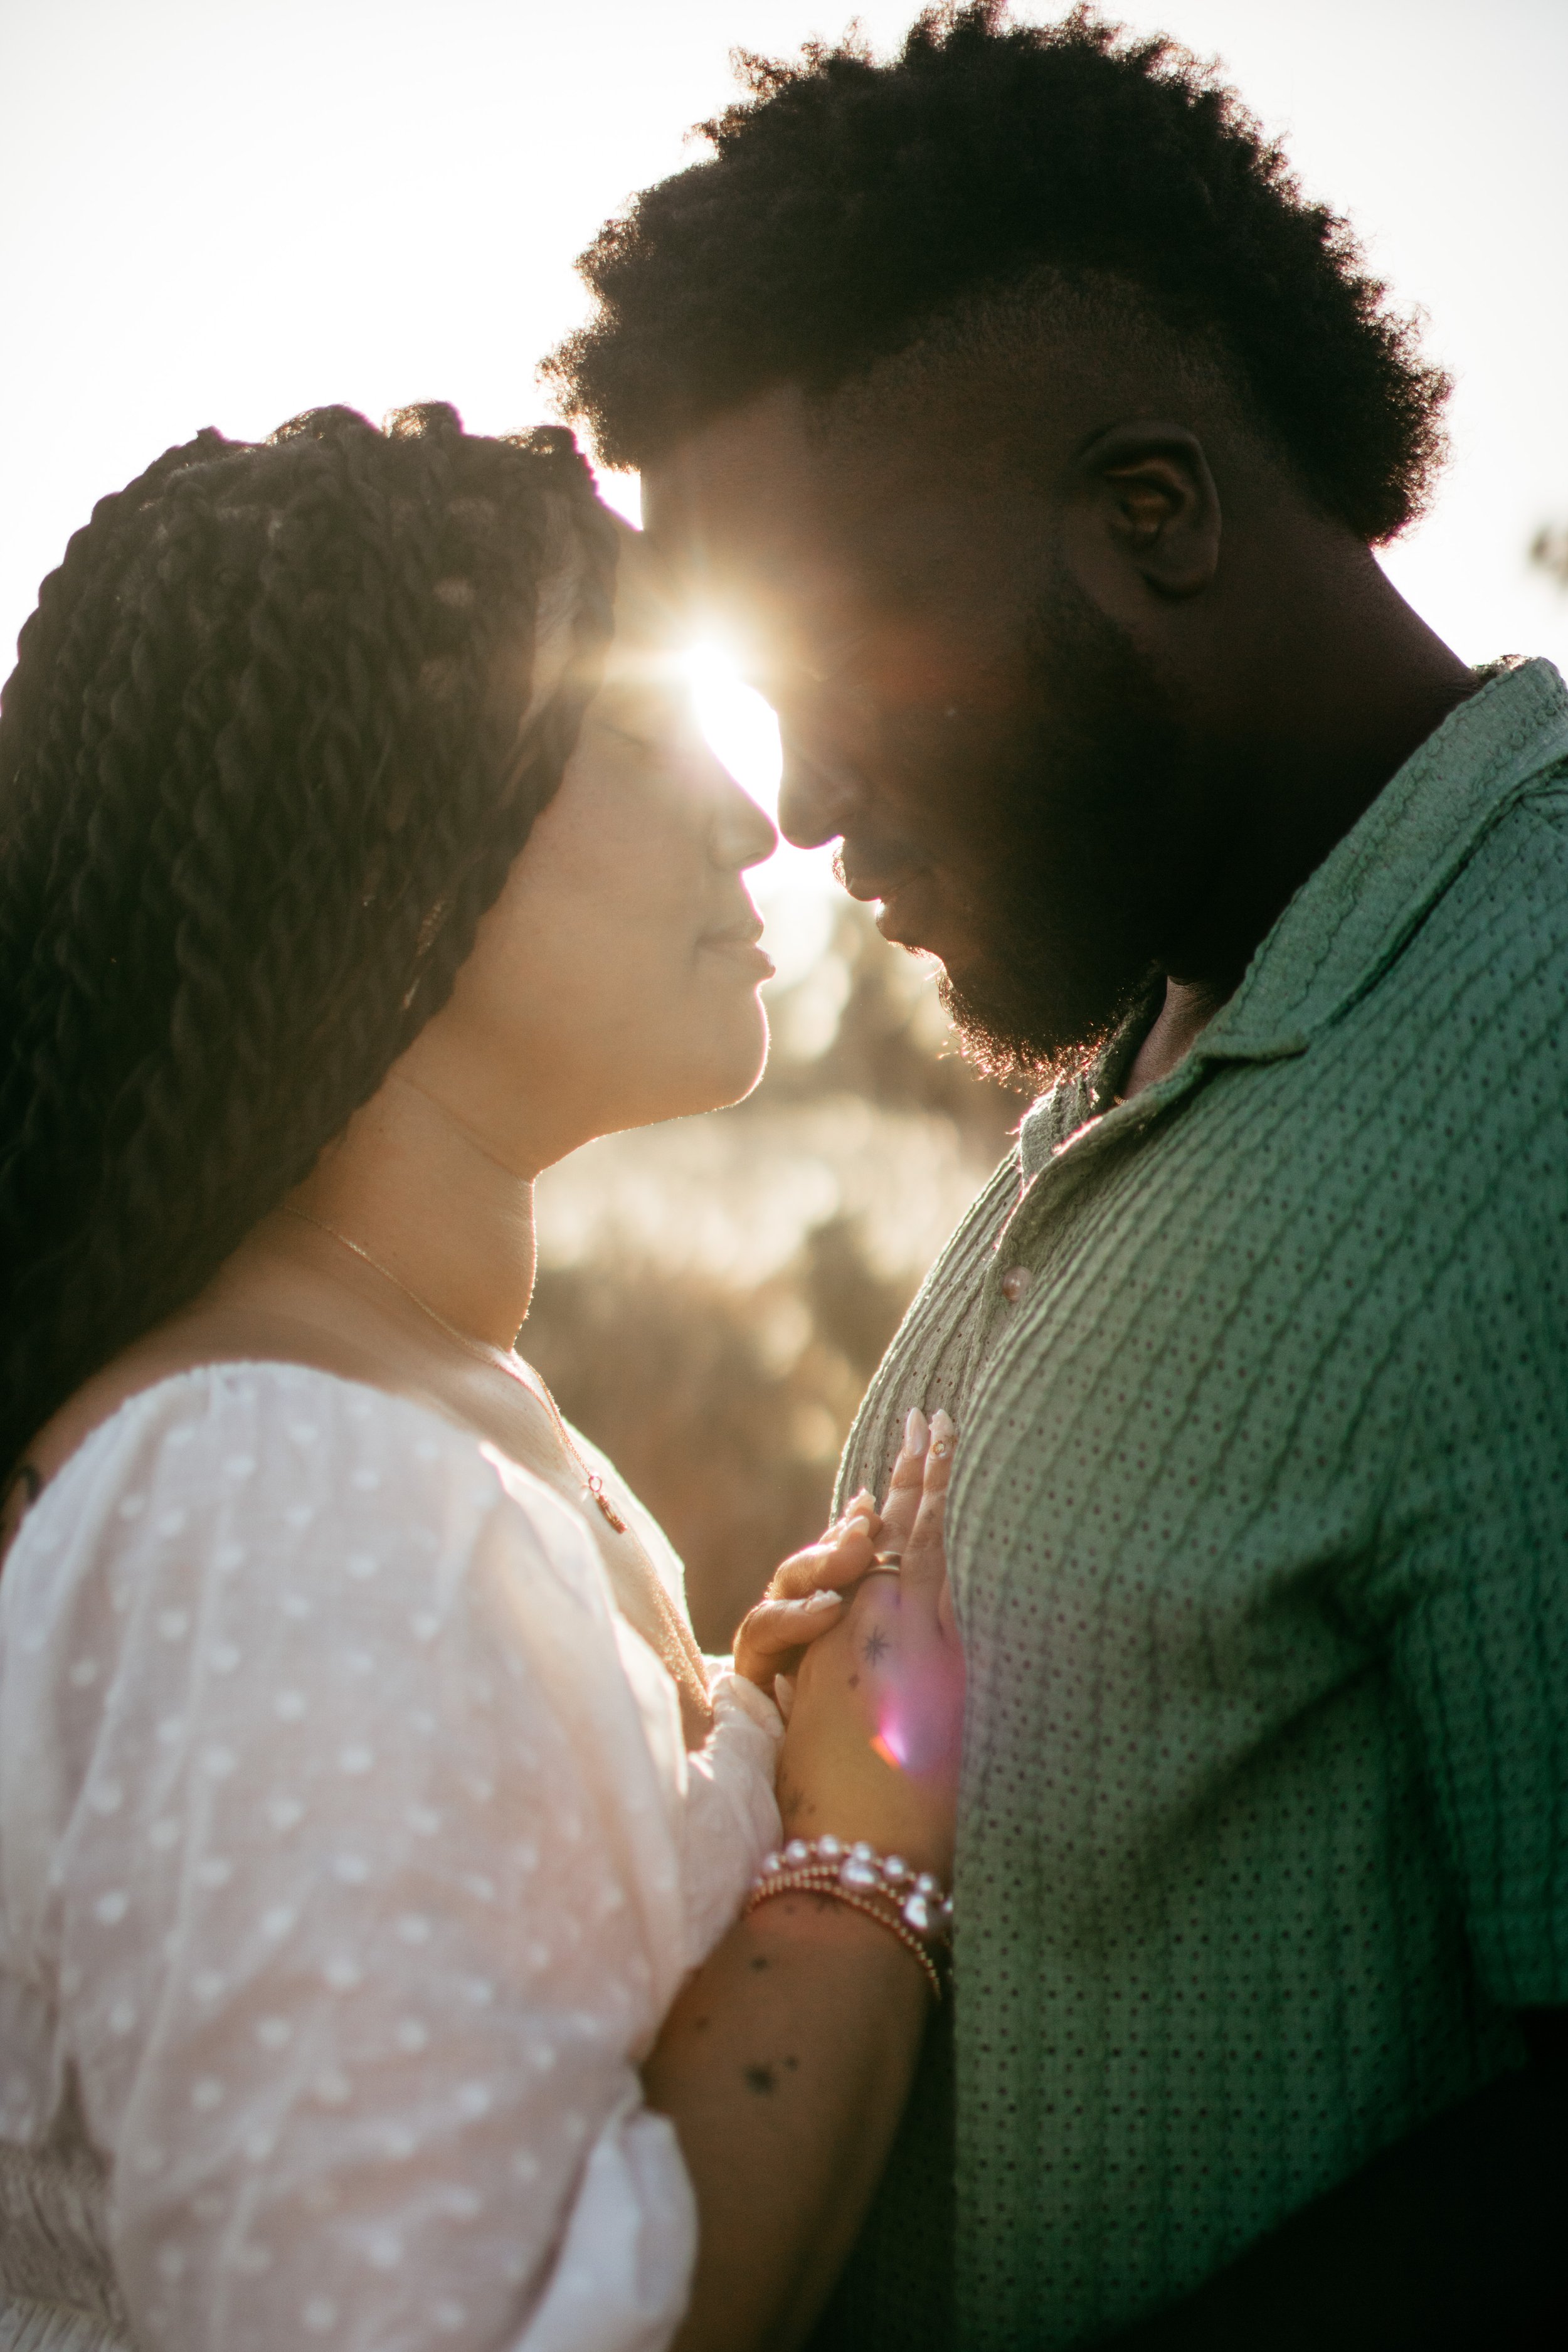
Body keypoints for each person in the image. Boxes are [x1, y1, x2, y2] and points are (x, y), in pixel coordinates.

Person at [545, 4, 1568, 2345]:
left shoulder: (1531, 1032)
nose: (792, 802)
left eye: (837, 664)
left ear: (1150, 512)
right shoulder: (1135, 1060)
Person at [0, 401, 967, 2351]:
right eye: (632, 730)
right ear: (379, 833)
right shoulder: (277, 1484)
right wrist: (855, 1866)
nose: (754, 812)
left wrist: (726, 1762)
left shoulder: (383, 1410)